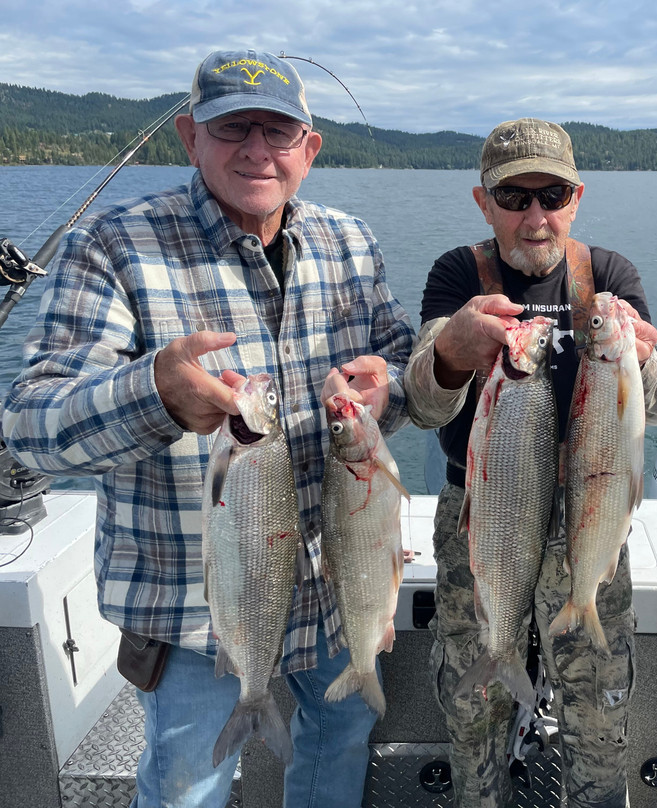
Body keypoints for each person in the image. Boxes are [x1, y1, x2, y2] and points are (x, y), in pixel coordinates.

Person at [2, 49, 415, 808]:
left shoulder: (351, 242)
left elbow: (398, 364)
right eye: (232, 128)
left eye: (278, 131)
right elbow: (30, 426)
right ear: (191, 138)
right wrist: (152, 393)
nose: (258, 150)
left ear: (309, 149)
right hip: (192, 610)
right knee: (188, 786)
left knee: (340, 739)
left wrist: (388, 384)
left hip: (337, 590)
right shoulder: (115, 246)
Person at [404, 118, 657, 807]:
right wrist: (450, 354)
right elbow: (424, 405)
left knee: (598, 705)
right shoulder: (457, 274)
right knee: (473, 707)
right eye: (514, 197)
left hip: (589, 516)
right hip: (485, 514)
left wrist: (641, 360)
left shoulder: (607, 275)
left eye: (551, 196)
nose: (535, 216)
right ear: (484, 202)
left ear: (576, 199)